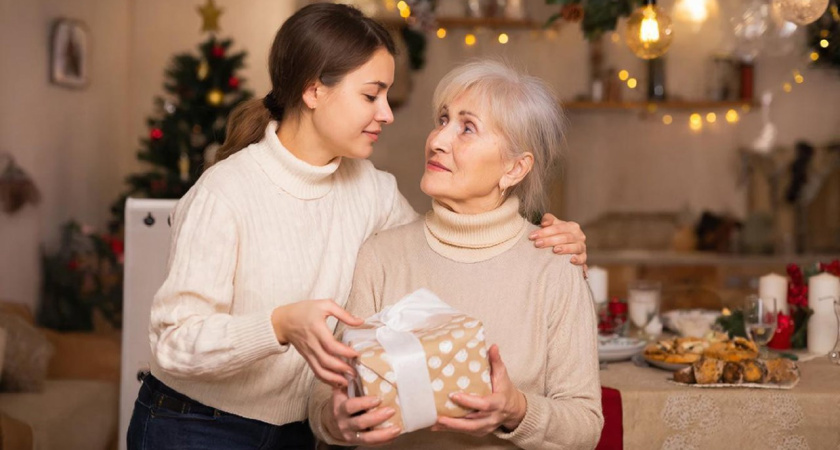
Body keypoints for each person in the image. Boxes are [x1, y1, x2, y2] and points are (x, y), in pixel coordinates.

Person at [126, 4, 589, 450]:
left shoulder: (373, 191)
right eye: (371, 95)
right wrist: (278, 326)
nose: (387, 113)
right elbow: (171, 344)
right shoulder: (225, 192)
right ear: (313, 91)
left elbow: (444, 246)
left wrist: (555, 243)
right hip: (196, 425)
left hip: (296, 434)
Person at [310, 60, 603, 450]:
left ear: (515, 169)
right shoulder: (381, 255)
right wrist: (336, 420)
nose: (438, 140)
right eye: (443, 119)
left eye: (467, 128)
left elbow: (585, 426)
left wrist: (517, 410)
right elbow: (323, 397)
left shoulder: (554, 266)